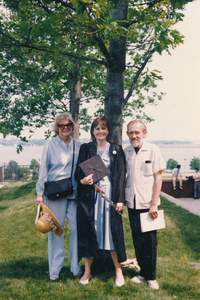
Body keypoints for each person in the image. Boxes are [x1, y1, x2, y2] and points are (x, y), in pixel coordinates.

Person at [75, 116, 126, 287]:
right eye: (97, 128)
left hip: (109, 197)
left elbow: (120, 177)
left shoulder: (117, 150)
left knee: (112, 233)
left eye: (103, 128)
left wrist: (119, 199)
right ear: (92, 131)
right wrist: (83, 181)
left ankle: (118, 271)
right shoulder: (86, 148)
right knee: (89, 231)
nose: (100, 131)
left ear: (108, 131)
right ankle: (87, 271)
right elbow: (78, 173)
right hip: (90, 198)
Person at [36, 112, 82, 281]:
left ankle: (75, 267)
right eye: (62, 125)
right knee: (56, 231)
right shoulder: (50, 145)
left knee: (76, 229)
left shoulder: (78, 145)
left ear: (72, 126)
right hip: (54, 194)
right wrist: (39, 193)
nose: (65, 128)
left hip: (74, 192)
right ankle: (55, 269)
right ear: (57, 127)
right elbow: (44, 170)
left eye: (68, 125)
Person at [124, 119, 166, 290]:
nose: (134, 136)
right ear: (127, 135)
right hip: (131, 203)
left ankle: (151, 277)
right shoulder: (125, 151)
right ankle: (142, 272)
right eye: (131, 133)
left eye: (137, 132)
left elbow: (158, 177)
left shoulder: (153, 150)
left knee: (150, 241)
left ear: (144, 133)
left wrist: (154, 203)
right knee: (137, 240)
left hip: (148, 204)